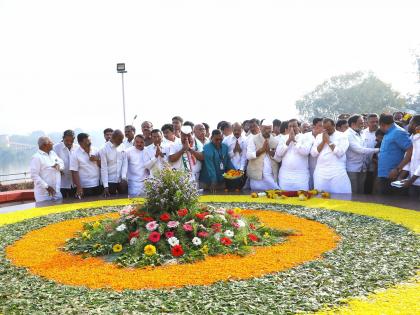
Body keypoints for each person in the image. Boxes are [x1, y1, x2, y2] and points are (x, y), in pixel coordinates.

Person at [311, 118, 351, 194]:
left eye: (328, 128)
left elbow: (340, 153)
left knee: (340, 196)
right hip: (321, 171)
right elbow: (313, 153)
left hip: (337, 172)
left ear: (334, 126)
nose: (326, 130)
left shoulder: (342, 136)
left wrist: (328, 141)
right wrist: (323, 141)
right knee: (320, 197)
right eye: (324, 128)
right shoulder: (319, 136)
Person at [377, 114, 412, 195]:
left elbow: (410, 150)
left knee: (393, 203)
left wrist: (397, 169)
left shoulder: (398, 132)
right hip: (385, 174)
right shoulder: (389, 132)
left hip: (393, 175)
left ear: (382, 124)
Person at [345, 115, 379, 194]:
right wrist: (379, 150)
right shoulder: (348, 134)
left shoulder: (361, 132)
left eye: (363, 123)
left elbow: (365, 147)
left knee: (361, 192)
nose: (363, 125)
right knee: (353, 192)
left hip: (363, 167)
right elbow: (359, 150)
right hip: (352, 169)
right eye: (360, 123)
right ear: (353, 124)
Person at [276, 119, 314, 191]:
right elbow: (279, 153)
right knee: (284, 198)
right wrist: (289, 140)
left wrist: (294, 141)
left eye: (294, 126)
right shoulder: (283, 138)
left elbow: (305, 151)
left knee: (302, 198)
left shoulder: (306, 137)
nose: (292, 128)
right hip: (285, 175)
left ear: (299, 127)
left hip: (301, 176)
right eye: (290, 126)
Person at [246, 119, 280, 191]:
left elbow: (279, 159)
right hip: (257, 177)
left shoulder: (276, 140)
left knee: (273, 195)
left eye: (269, 128)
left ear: (272, 129)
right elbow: (248, 156)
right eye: (265, 128)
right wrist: (261, 150)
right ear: (261, 128)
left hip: (271, 176)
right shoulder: (253, 139)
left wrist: (269, 151)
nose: (267, 130)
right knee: (256, 197)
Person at [30, 136, 64, 202]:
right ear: (45, 145)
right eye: (51, 142)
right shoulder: (36, 157)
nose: (53, 143)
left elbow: (62, 163)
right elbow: (34, 175)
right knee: (46, 212)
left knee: (59, 211)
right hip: (44, 194)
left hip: (57, 191)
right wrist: (47, 187)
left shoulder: (53, 154)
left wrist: (59, 166)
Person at [70, 133, 102, 198]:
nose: (89, 143)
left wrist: (97, 159)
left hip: (98, 184)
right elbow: (74, 172)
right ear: (80, 143)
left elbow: (102, 166)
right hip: (85, 186)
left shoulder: (96, 150)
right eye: (86, 142)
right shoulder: (75, 154)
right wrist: (79, 187)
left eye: (90, 142)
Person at [99, 130, 127, 196]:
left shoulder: (122, 146)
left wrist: (123, 177)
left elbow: (124, 163)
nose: (121, 141)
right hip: (110, 182)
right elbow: (104, 168)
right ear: (113, 138)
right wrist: (105, 186)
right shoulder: (103, 149)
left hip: (121, 181)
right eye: (120, 139)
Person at [53, 130, 78, 198]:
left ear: (74, 139)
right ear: (63, 138)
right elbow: (51, 162)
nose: (69, 143)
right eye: (67, 140)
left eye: (71, 141)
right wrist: (58, 168)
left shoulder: (77, 148)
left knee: (75, 203)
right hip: (62, 183)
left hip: (75, 182)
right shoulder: (55, 148)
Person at [400, 115, 420, 197]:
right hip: (413, 181)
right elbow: (409, 159)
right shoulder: (412, 138)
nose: (408, 125)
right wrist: (401, 177)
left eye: (411, 123)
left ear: (416, 126)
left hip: (415, 181)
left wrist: (411, 180)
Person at [362, 114, 379, 193]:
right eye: (372, 122)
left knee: (373, 186)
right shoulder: (362, 133)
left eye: (376, 122)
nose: (375, 123)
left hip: (376, 165)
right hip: (363, 164)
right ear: (367, 122)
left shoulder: (382, 133)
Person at [309, 118, 323, 189]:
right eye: (320, 125)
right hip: (310, 167)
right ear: (313, 126)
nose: (322, 128)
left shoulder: (325, 136)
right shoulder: (306, 136)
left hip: (322, 168)